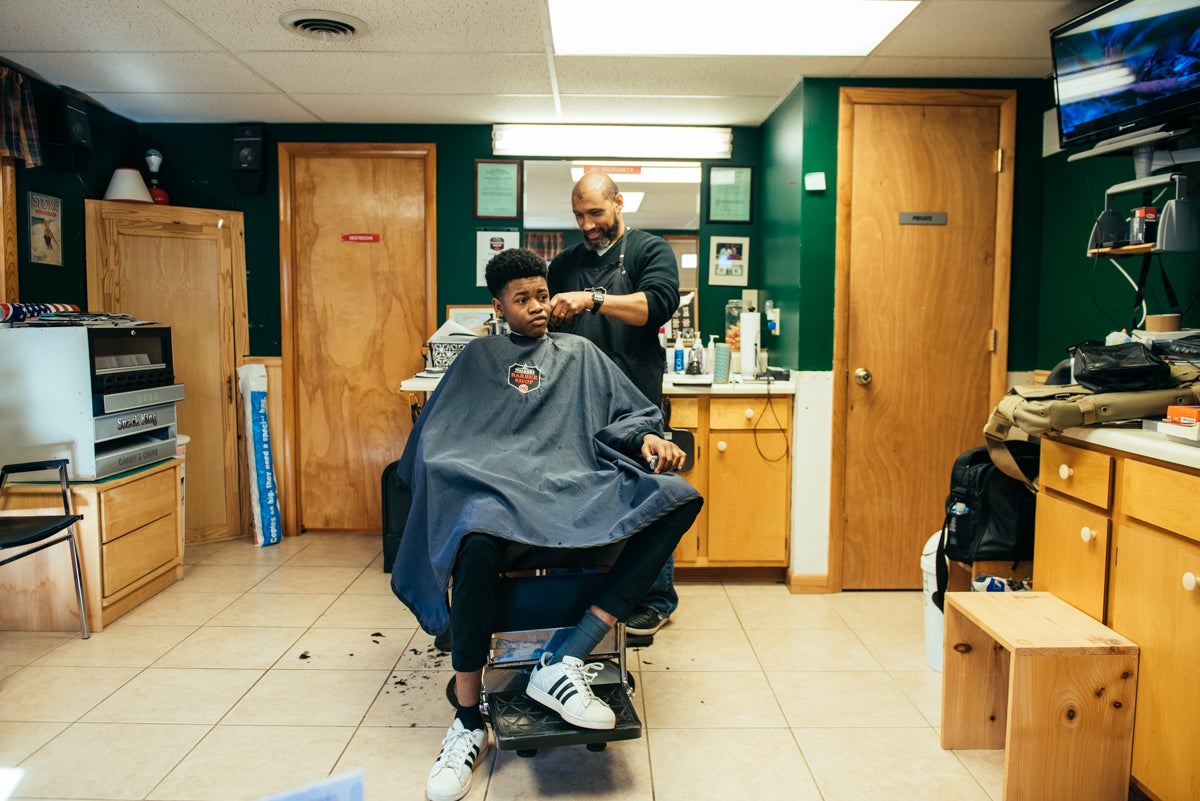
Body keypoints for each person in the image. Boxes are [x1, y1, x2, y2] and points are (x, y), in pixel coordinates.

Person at [391, 248, 703, 801]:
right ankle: (467, 718)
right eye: (522, 299)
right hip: (497, 500)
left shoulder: (579, 353)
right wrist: (464, 481)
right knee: (475, 538)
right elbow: (433, 443)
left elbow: (626, 416)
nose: (537, 308)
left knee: (677, 498)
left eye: (541, 295)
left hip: (571, 489)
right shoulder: (477, 358)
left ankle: (567, 654)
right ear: (498, 306)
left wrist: (647, 439)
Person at [546, 170, 683, 639]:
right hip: (580, 404)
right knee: (587, 495)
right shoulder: (563, 265)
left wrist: (592, 299)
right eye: (579, 215)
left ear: (619, 203)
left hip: (636, 400)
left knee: (652, 493)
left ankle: (657, 598)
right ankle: (592, 589)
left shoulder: (650, 250)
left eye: (596, 213)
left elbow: (658, 306)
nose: (587, 225)